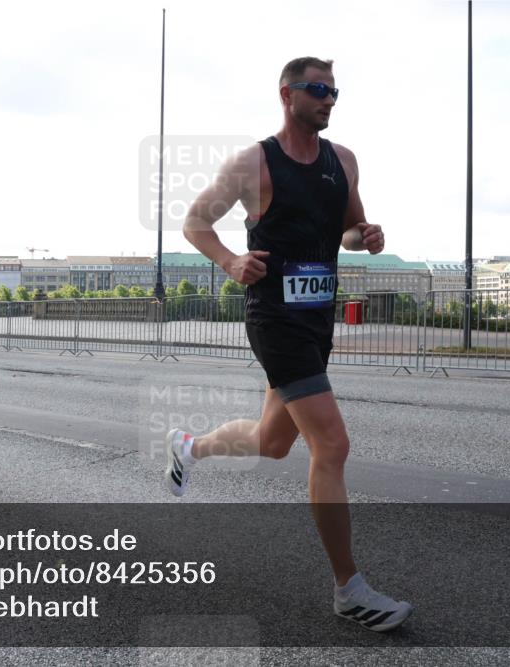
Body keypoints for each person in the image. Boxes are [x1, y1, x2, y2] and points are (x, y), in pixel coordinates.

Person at [164, 57, 412, 632]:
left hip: (317, 319)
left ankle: (188, 447)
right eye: (318, 90)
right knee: (331, 444)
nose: (329, 99)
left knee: (274, 443)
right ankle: (350, 589)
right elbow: (196, 221)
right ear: (288, 94)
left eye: (334, 91)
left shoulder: (342, 160)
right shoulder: (255, 162)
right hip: (274, 319)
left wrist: (365, 236)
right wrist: (229, 259)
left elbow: (350, 228)